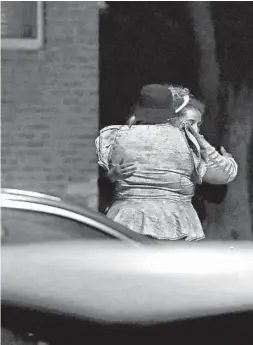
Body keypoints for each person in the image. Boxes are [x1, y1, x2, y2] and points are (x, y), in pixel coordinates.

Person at [95, 84, 237, 241]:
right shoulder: (189, 142)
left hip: (126, 221)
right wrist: (226, 159)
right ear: (173, 116)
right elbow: (223, 175)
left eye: (198, 124)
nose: (193, 128)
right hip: (176, 225)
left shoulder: (116, 137)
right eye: (189, 123)